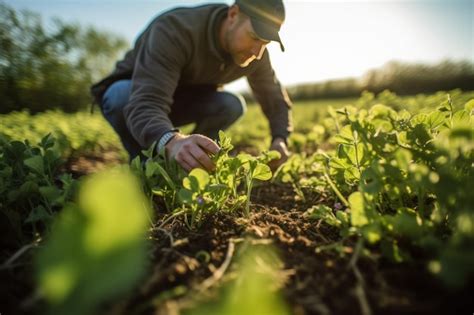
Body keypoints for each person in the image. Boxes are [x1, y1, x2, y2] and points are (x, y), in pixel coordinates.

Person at [91, 0, 293, 172]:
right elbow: (146, 101)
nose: (258, 52)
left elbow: (273, 96)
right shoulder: (175, 30)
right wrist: (172, 141)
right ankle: (145, 164)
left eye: (265, 43)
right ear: (233, 15)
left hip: (183, 103)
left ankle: (195, 160)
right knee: (119, 96)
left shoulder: (255, 56)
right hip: (138, 99)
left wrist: (280, 138)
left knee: (231, 105)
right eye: (255, 37)